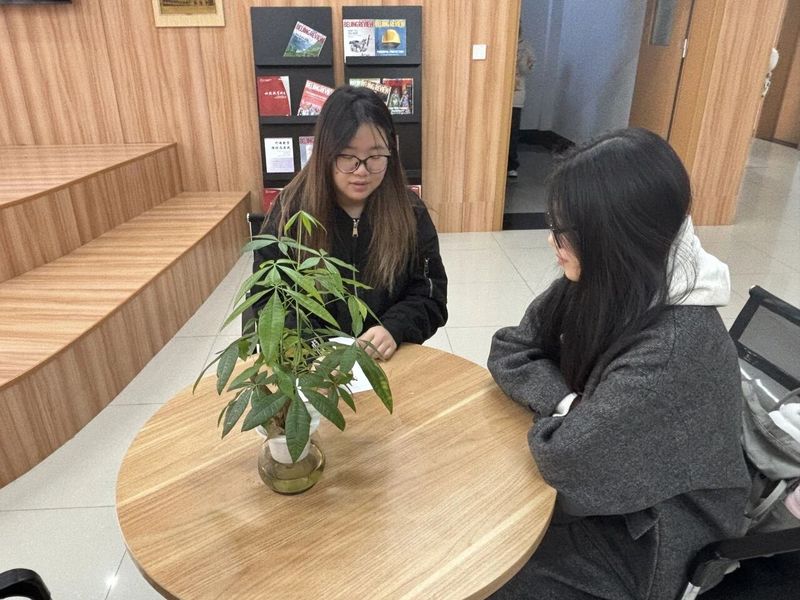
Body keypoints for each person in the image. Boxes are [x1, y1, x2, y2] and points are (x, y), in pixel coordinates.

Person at [488, 128, 750, 599]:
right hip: (613, 490)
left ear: (614, 237)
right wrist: (570, 405)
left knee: (492, 569)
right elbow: (510, 348)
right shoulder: (612, 275)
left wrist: (570, 419)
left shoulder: (672, 348)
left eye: (563, 231)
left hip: (656, 535)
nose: (552, 242)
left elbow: (567, 461)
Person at [253, 85, 447, 360]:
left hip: (387, 359)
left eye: (375, 156)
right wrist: (310, 348)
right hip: (312, 363)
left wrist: (394, 328)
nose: (362, 171)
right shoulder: (289, 212)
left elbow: (430, 295)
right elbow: (267, 300)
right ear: (325, 152)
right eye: (347, 157)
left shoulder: (410, 212)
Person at [508, 27, 535, 178]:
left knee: (512, 131)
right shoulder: (501, 41)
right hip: (497, 94)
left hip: (515, 95)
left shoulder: (526, 47)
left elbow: (527, 70)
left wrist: (520, 59)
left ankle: (511, 165)